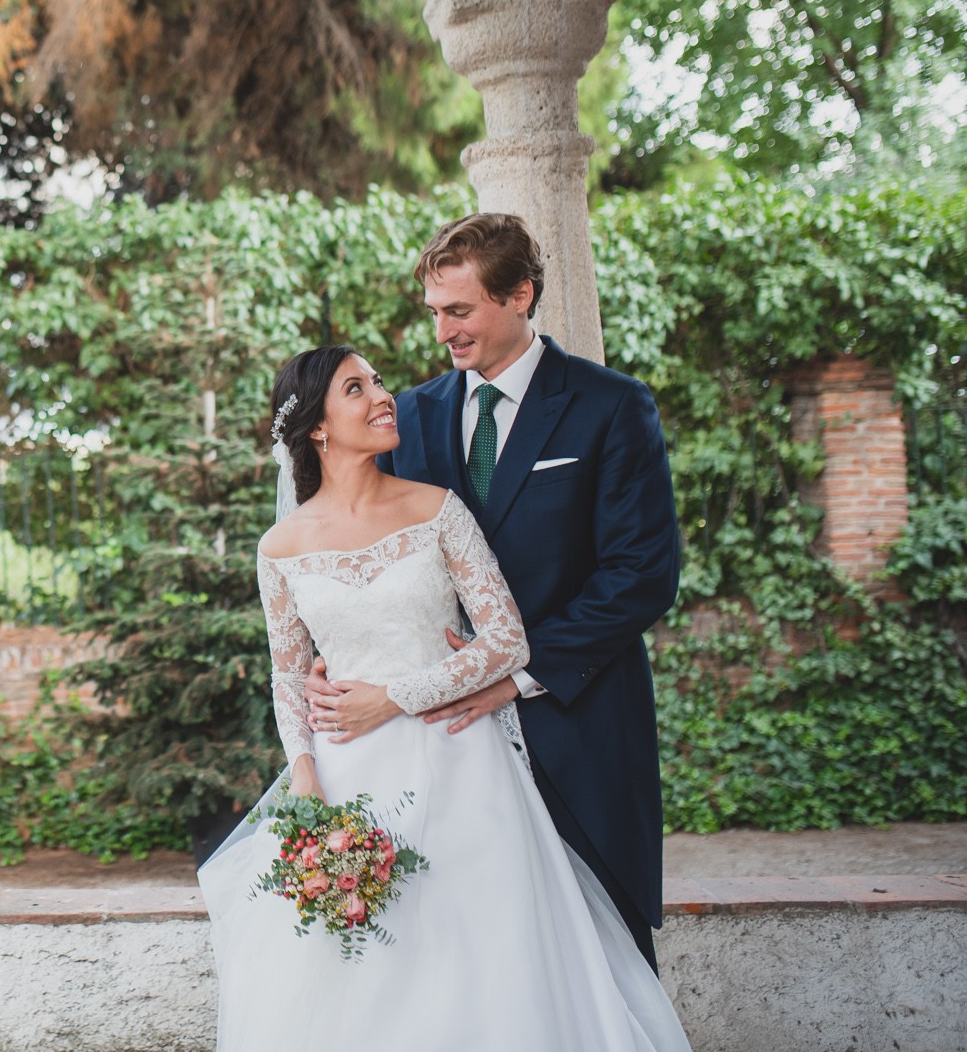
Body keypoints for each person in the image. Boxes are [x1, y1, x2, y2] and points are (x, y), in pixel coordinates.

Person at [196, 339, 688, 1051]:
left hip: (460, 756)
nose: (382, 394)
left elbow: (506, 641)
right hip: (342, 775)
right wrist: (304, 774)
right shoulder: (280, 546)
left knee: (477, 948)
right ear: (316, 427)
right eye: (356, 388)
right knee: (364, 972)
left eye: (378, 380)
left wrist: (395, 695)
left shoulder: (437, 508)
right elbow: (287, 672)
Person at [305, 213, 680, 968]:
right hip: (439, 742)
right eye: (435, 311)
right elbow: (355, 539)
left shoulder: (611, 405)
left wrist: (514, 674)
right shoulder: (408, 415)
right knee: (461, 953)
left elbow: (641, 573)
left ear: (520, 294)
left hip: (578, 721)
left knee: (601, 952)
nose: (444, 330)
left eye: (461, 309)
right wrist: (334, 643)